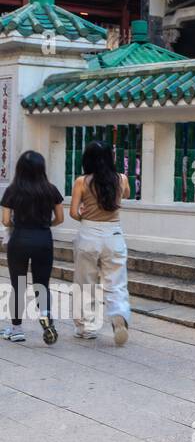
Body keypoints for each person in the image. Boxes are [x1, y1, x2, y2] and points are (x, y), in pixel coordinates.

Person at [69, 140, 131, 345]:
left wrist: (82, 214)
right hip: (113, 235)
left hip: (88, 234)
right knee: (116, 282)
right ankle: (119, 315)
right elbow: (127, 194)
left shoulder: (82, 181)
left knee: (85, 282)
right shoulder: (121, 179)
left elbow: (73, 213)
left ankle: (86, 328)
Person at [1, 151, 63, 344]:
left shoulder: (12, 190)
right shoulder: (51, 190)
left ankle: (17, 329)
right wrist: (44, 226)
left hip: (20, 238)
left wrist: (19, 225)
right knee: (42, 284)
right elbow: (60, 218)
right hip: (43, 239)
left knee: (18, 285)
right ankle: (45, 317)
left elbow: (5, 220)